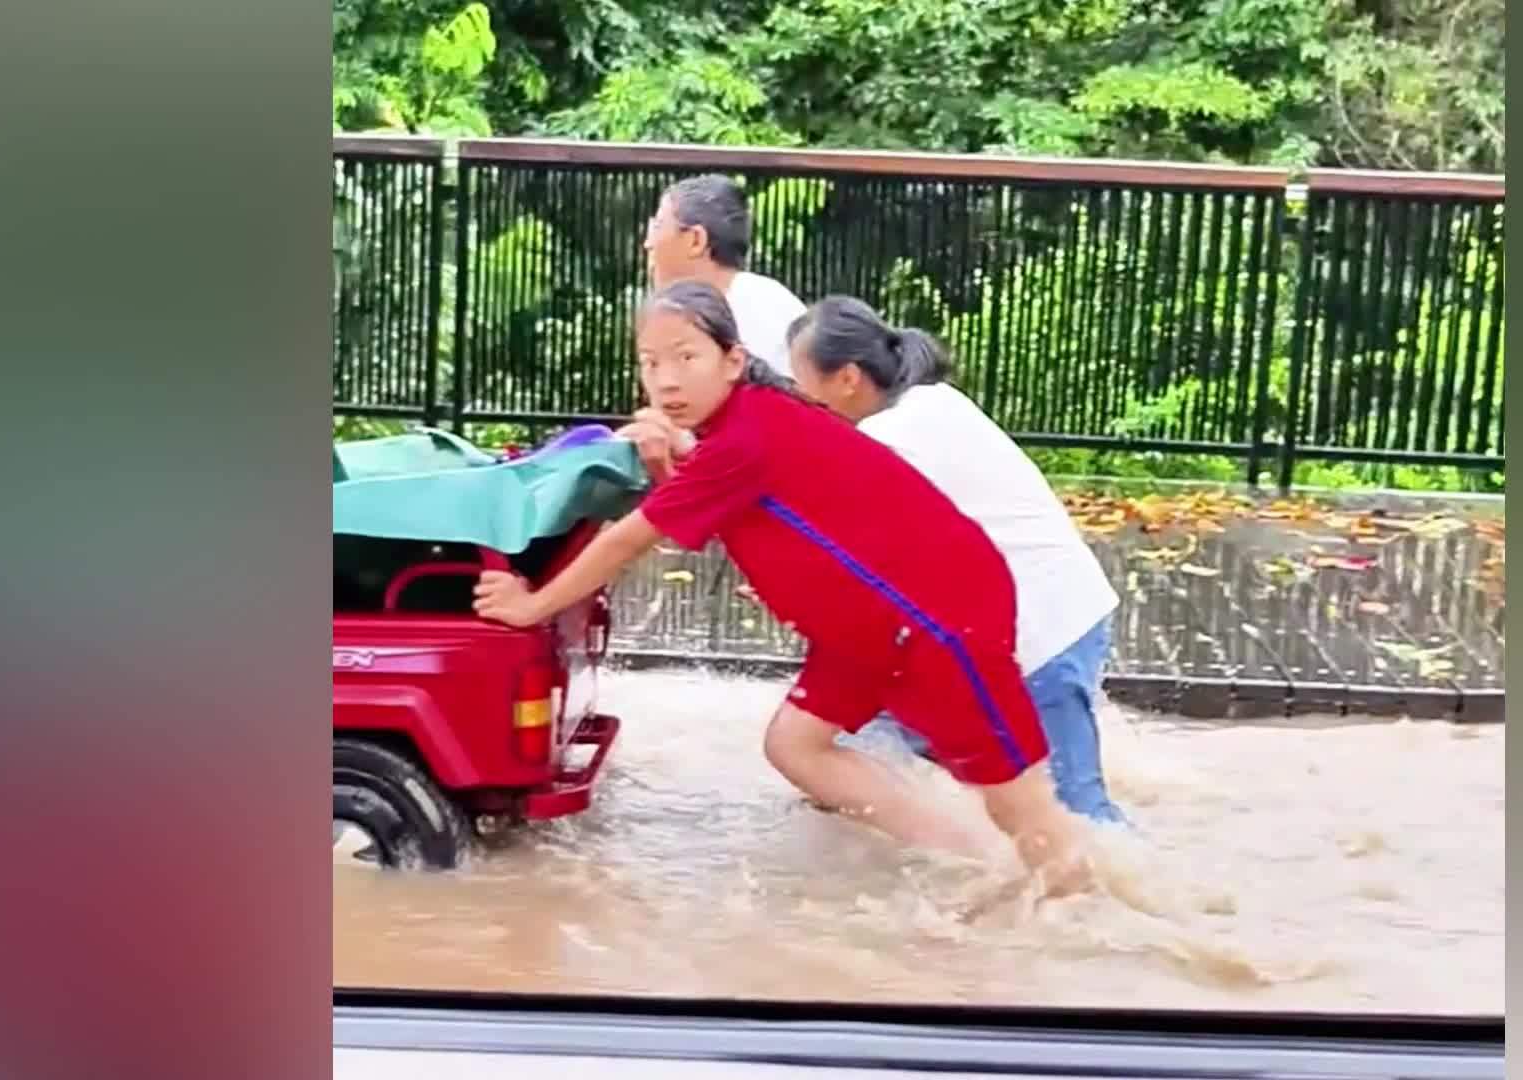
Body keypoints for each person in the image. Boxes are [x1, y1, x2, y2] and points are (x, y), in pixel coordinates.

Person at [472, 280, 1091, 895]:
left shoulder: (743, 438)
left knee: (1023, 807)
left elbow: (626, 540)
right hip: (870, 632)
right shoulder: (750, 421)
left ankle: (1087, 910)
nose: (665, 381)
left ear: (733, 360)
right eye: (650, 362)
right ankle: (970, 863)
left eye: (686, 357)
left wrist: (532, 606)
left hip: (937, 621)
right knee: (796, 746)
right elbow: (761, 500)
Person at [782, 297, 1129, 826]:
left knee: (1078, 821)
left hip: (1039, 637)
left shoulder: (886, 438)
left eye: (801, 384)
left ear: (847, 378)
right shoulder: (929, 400)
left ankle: (1155, 905)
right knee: (873, 734)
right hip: (1066, 609)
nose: (797, 402)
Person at [643, 174, 806, 378]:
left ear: (696, 240)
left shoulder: (759, 310)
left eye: (657, 227)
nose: (648, 244)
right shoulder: (695, 313)